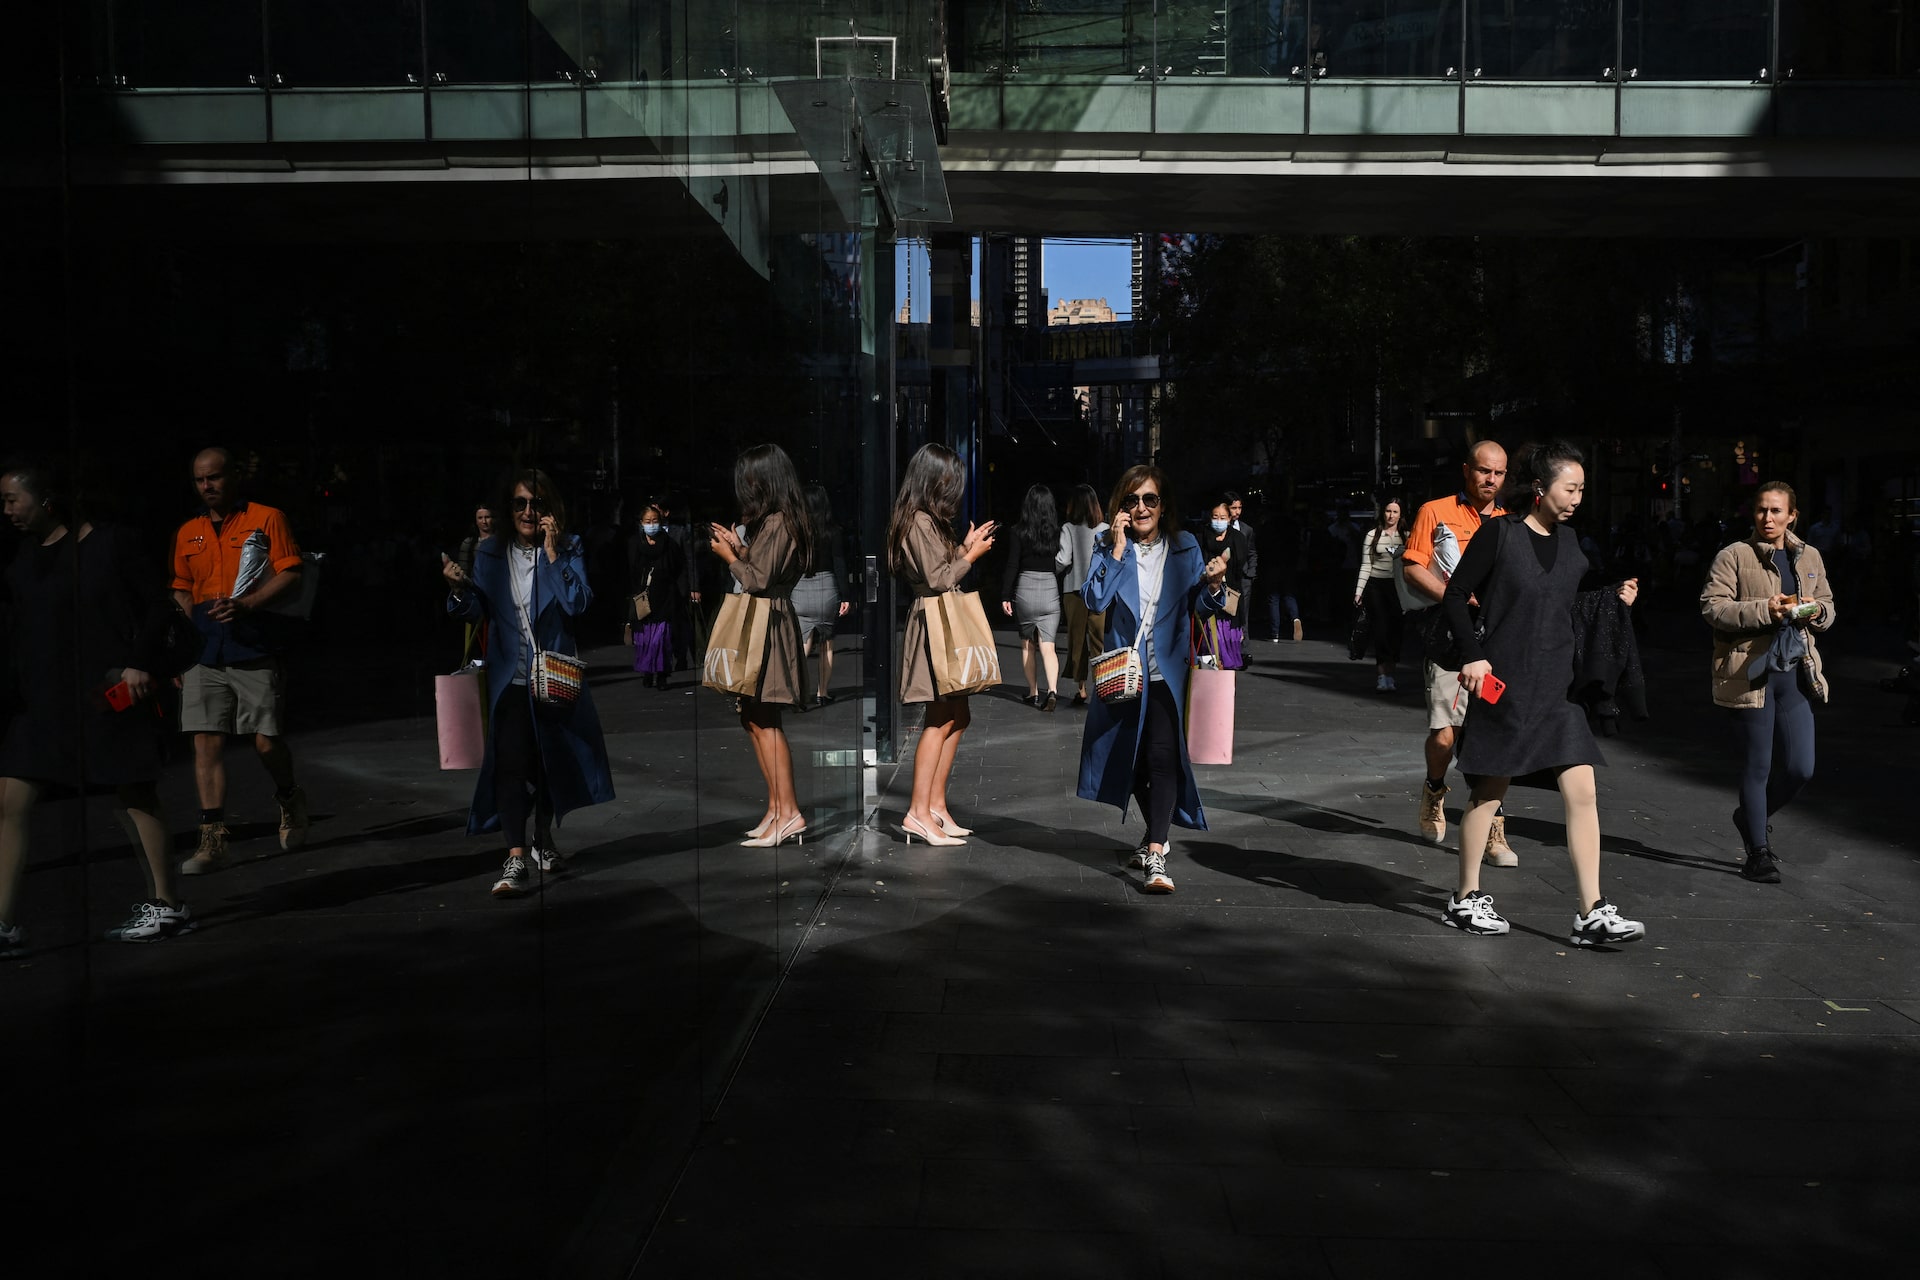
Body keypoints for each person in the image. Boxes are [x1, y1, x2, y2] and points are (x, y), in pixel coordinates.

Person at [1441, 442, 1646, 946]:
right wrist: (1472, 655)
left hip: (1559, 690)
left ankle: (1591, 911)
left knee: (1583, 791)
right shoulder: (1499, 534)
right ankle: (1465, 898)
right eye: (1569, 487)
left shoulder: (1574, 543)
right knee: (1489, 794)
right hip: (1505, 687)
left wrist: (1614, 600)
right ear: (1540, 488)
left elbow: (1572, 604)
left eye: (1580, 489)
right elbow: (1452, 595)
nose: (1577, 497)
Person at [0, 462, 188, 950]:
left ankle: (168, 908)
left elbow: (157, 606)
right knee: (10, 799)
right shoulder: (23, 558)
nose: (6, 510)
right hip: (41, 700)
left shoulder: (110, 543)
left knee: (134, 794)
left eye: (12, 499)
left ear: (46, 500)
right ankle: (2, 925)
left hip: (106, 693)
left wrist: (141, 663)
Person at [442, 469, 614, 896]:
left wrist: (553, 553)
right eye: (519, 504)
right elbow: (473, 611)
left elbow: (577, 603)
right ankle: (516, 857)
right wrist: (458, 590)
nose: (527, 512)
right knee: (511, 765)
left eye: (536, 504)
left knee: (550, 763)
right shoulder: (490, 554)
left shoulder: (569, 547)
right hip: (510, 680)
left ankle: (543, 838)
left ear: (550, 510)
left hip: (553, 677)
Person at [1078, 465, 1232, 895]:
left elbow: (1199, 606)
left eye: (1150, 499)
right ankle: (1151, 837)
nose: (1141, 507)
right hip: (1125, 672)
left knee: (1162, 756)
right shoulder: (1107, 544)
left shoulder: (1185, 546)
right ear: (1121, 507)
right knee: (1135, 760)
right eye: (1132, 500)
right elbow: (1094, 599)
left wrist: (1216, 585)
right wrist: (1117, 549)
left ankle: (1158, 851)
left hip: (1166, 670)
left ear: (1164, 506)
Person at [170, 447, 310, 874]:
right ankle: (212, 840)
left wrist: (248, 605)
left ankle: (289, 797)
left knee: (265, 740)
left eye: (213, 477)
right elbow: (181, 587)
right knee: (205, 741)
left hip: (254, 642)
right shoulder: (188, 531)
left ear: (233, 476)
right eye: (199, 480)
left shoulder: (266, 518)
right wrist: (179, 646)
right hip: (204, 647)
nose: (207, 486)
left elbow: (291, 572)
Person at [1700, 482, 1836, 885]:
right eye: (1761, 510)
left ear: (1792, 514)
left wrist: (1816, 613)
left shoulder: (1808, 555)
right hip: (1750, 674)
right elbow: (1713, 607)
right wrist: (1768, 610)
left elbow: (1828, 604)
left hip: (1795, 673)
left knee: (1801, 768)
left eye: (1777, 511)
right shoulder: (1734, 555)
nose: (1768, 518)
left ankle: (1749, 817)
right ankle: (1757, 852)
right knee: (1758, 765)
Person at [1400, 440, 1517, 866]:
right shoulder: (1435, 511)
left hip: (1497, 640)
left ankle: (1493, 828)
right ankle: (1434, 788)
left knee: (1490, 735)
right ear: (1467, 470)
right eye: (1484, 471)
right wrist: (1456, 596)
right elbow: (1412, 568)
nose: (1491, 480)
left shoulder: (1512, 521)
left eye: (1499, 473)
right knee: (1446, 733)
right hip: (1449, 639)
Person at [890, 444, 997, 846]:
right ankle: (918, 812)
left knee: (958, 714)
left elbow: (938, 566)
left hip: (941, 621)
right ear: (933, 480)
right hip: (934, 625)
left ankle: (934, 806)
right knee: (939, 717)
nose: (954, 489)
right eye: (950, 480)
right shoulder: (917, 520)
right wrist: (971, 557)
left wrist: (964, 549)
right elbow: (937, 579)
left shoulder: (926, 521)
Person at [709, 445, 812, 848]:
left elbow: (758, 580)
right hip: (766, 622)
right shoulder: (776, 521)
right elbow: (762, 567)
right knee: (753, 716)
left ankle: (788, 813)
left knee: (765, 718)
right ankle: (776, 809)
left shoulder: (781, 521)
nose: (746, 488)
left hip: (768, 625)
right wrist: (739, 549)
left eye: (751, 480)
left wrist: (729, 558)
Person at [1000, 483, 1064, 710]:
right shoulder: (1056, 532)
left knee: (1028, 645)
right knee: (1049, 646)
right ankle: (1053, 690)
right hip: (1049, 588)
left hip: (1025, 588)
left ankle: (1033, 692)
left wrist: (1005, 595)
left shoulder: (1018, 532)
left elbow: (1012, 564)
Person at [792, 484, 851, 706]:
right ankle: (822, 693)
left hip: (801, 587)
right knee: (827, 642)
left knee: (804, 641)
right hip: (827, 586)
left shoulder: (797, 532)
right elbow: (839, 563)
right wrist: (846, 596)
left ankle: (795, 692)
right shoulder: (832, 531)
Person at [1055, 484, 1108, 706]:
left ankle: (1082, 689)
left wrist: (1053, 565)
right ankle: (1103, 686)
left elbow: (1063, 560)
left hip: (1075, 590)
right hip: (1100, 591)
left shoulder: (1068, 528)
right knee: (1099, 639)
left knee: (1077, 641)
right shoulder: (1106, 528)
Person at [625, 501, 685, 691]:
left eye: (655, 520)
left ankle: (661, 675)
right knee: (644, 639)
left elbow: (678, 567)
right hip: (642, 598)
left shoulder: (670, 544)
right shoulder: (634, 544)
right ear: (641, 523)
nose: (652, 524)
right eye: (648, 521)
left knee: (661, 639)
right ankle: (647, 672)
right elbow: (628, 570)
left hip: (665, 598)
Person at [1353, 498, 1407, 692]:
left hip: (1398, 588)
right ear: (1383, 513)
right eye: (1388, 511)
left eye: (1395, 511)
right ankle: (1382, 675)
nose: (1391, 515)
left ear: (1400, 514)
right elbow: (1366, 565)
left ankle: (1391, 674)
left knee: (1396, 631)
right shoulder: (1372, 535)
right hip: (1376, 585)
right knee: (1381, 630)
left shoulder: (1407, 536)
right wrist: (1359, 591)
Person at [1198, 496, 1251, 669]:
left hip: (1230, 594)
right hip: (1206, 591)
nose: (1218, 521)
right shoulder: (1202, 536)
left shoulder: (1238, 538)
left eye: (1222, 518)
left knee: (1226, 632)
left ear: (1229, 519)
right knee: (1209, 637)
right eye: (1215, 517)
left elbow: (1239, 567)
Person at [1227, 492, 1259, 643]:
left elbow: (1252, 551)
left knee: (1243, 613)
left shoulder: (1247, 529)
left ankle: (1244, 649)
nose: (1237, 511)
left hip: (1244, 576)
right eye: (1234, 508)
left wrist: (1251, 572)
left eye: (1239, 507)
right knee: (1227, 612)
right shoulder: (1219, 527)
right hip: (1226, 576)